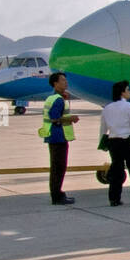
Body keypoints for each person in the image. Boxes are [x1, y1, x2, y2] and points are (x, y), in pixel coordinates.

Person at [100, 80, 130, 207]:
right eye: (128, 89)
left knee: (116, 170)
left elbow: (103, 128)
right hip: (128, 141)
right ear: (123, 92)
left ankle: (114, 198)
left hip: (113, 142)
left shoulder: (107, 108)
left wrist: (102, 142)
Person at [40, 71, 78, 205]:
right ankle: (57, 196)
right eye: (62, 80)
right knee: (58, 167)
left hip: (54, 137)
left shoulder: (54, 98)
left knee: (57, 167)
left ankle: (57, 193)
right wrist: (71, 118)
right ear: (55, 83)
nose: (65, 82)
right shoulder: (57, 100)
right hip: (58, 137)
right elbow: (54, 117)